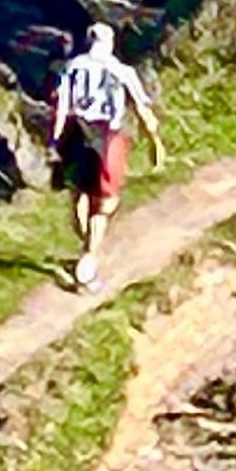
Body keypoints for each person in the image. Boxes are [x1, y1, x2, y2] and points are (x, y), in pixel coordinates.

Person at [45, 18, 163, 293]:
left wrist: (55, 140)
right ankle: (88, 257)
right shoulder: (121, 71)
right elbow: (143, 110)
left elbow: (60, 107)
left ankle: (86, 246)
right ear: (110, 44)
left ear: (88, 42)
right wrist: (154, 141)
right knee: (106, 201)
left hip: (76, 132)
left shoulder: (71, 68)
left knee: (78, 194)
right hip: (107, 137)